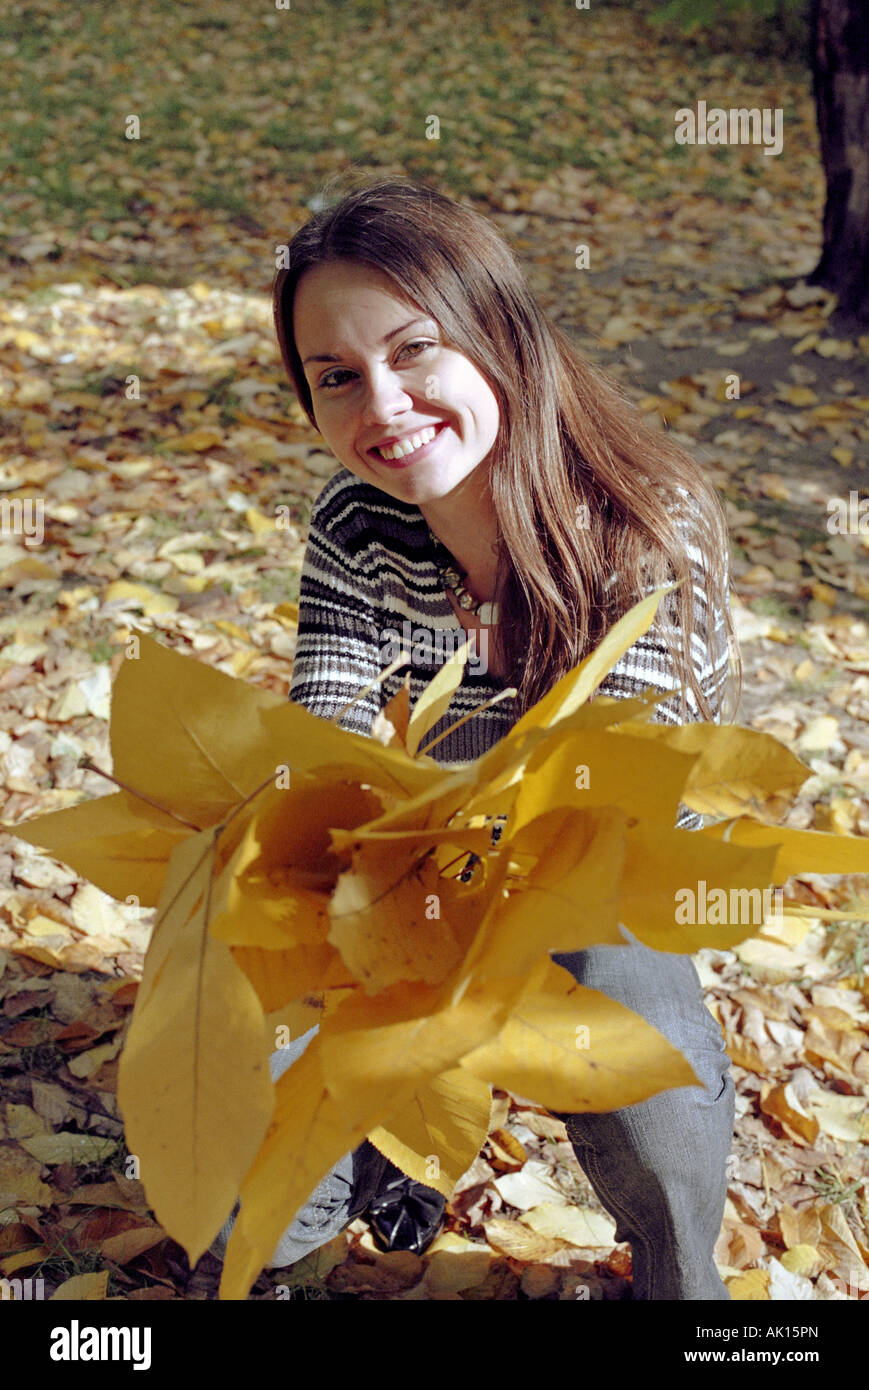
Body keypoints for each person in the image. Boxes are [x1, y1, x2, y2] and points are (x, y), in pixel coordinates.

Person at [213, 174, 742, 1299]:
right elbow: (327, 742)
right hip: (416, 852)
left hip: (601, 860)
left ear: (497, 336)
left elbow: (621, 794)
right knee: (241, 1195)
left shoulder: (646, 525)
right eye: (337, 377)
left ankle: (681, 1277)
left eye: (413, 350)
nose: (382, 404)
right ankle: (308, 1224)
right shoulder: (357, 526)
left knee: (630, 1042)